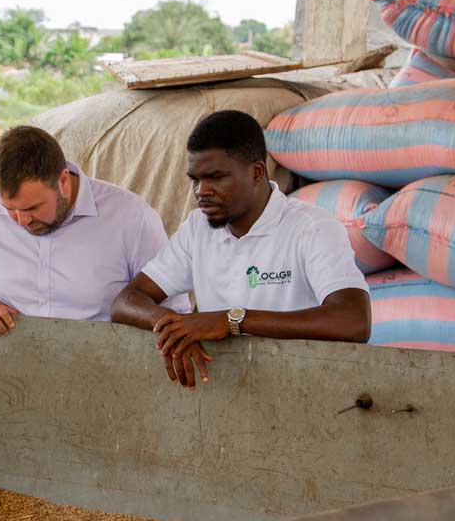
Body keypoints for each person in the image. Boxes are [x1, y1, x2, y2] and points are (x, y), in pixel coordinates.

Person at [112, 110, 371, 388]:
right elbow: (126, 301)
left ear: (256, 172)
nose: (201, 191)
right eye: (195, 179)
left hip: (303, 390)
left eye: (216, 177)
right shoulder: (198, 227)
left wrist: (232, 320)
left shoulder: (312, 227)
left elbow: (353, 321)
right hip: (225, 394)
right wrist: (177, 329)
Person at [0, 125, 182, 334]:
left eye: (32, 208)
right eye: (9, 208)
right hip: (2, 373)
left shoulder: (132, 219)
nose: (21, 221)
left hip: (101, 372)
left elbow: (173, 311)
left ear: (63, 181)